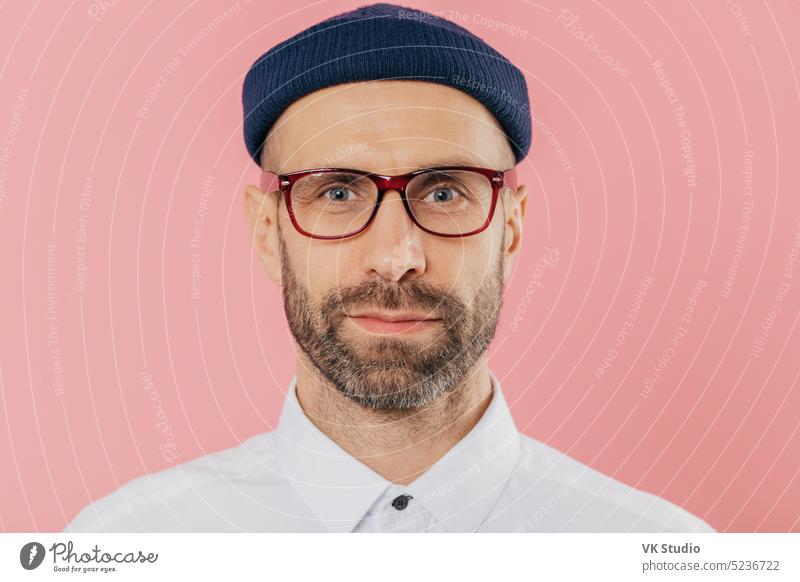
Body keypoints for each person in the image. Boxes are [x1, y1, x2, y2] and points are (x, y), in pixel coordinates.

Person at [64, 3, 714, 533]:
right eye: (338, 192)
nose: (396, 257)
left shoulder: (661, 552)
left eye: (444, 191)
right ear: (267, 233)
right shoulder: (124, 546)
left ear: (511, 231)